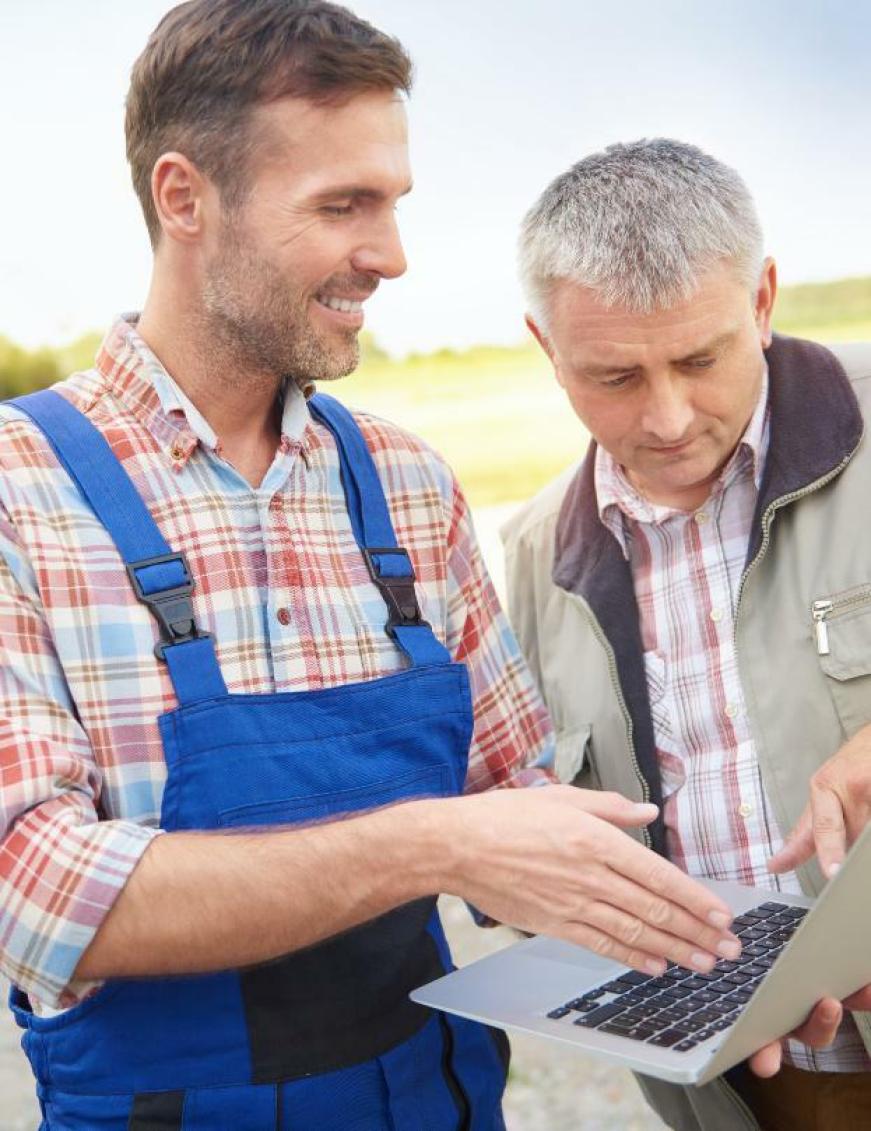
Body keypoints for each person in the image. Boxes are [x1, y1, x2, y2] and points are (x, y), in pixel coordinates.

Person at [0, 8, 741, 1129]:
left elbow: (517, 813)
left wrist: (728, 969)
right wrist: (430, 842)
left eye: (392, 203)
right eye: (343, 206)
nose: (391, 255)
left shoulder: (403, 482)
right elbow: (42, 897)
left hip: (433, 1100)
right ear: (185, 198)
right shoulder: (23, 493)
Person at [503, 137, 871, 1130]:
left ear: (761, 300)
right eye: (613, 377)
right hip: (755, 1082)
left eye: (699, 360)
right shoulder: (532, 556)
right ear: (547, 347)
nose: (666, 419)